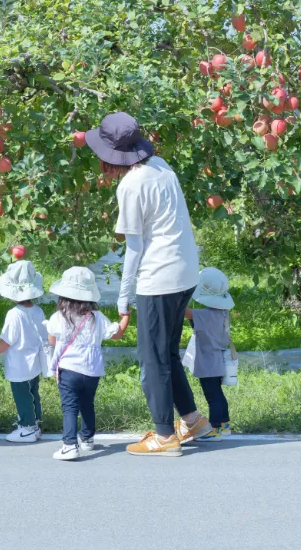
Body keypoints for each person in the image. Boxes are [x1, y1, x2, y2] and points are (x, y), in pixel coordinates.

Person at [86, 112, 212, 457]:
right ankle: (193, 420)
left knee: (152, 358)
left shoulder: (130, 185)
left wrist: (123, 302)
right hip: (186, 271)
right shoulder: (161, 165)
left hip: (160, 278)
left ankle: (164, 434)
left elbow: (134, 249)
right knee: (167, 351)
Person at [46, 266, 129, 461]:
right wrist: (125, 317)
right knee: (87, 404)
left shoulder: (59, 317)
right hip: (92, 370)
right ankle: (87, 439)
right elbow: (116, 334)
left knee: (69, 407)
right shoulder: (97, 317)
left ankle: (69, 445)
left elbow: (51, 341)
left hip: (68, 369)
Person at [0, 260, 48, 444]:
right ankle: (36, 423)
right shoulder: (38, 311)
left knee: (22, 395)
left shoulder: (14, 314)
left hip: (19, 363)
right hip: (35, 361)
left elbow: (7, 341)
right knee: (32, 392)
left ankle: (26, 426)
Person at [183, 267, 234, 440]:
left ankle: (215, 427)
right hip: (216, 359)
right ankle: (224, 425)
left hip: (208, 361)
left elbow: (186, 312)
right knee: (217, 393)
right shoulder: (222, 313)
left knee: (212, 396)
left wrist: (180, 294)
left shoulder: (206, 315)